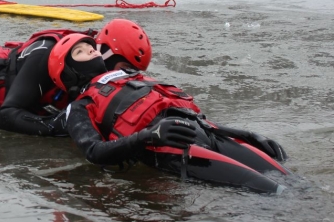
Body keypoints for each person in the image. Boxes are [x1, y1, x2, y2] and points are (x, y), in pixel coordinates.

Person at [64, 19, 289, 194]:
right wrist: (147, 136)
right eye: (80, 51)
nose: (91, 50)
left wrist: (241, 133)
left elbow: (177, 109)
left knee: (287, 176)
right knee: (271, 190)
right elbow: (94, 152)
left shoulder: (131, 78)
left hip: (204, 132)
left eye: (90, 47)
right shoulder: (80, 107)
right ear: (68, 70)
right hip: (171, 148)